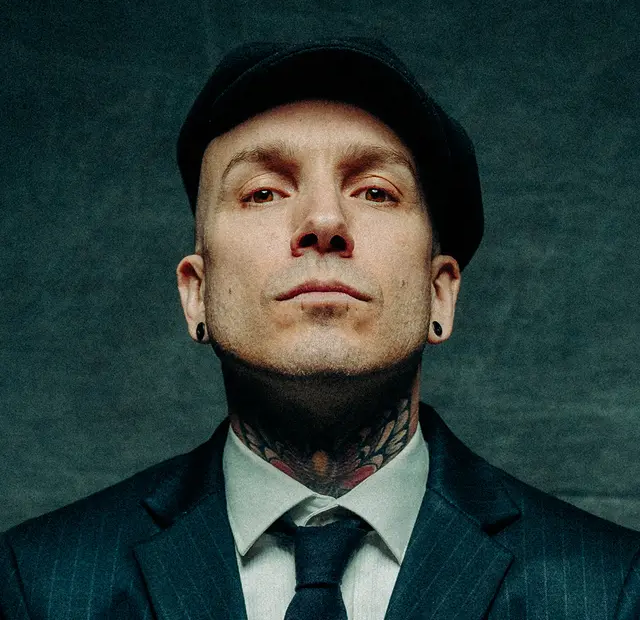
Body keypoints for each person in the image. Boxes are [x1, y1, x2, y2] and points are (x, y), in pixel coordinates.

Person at [1, 37, 639, 620]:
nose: (325, 221)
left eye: (376, 191)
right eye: (263, 192)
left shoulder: (611, 591)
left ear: (440, 292)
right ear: (196, 294)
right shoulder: (37, 586)